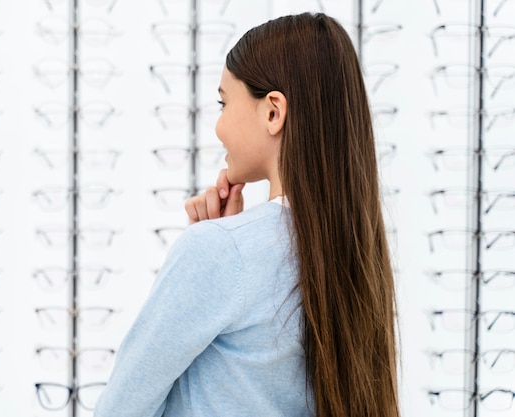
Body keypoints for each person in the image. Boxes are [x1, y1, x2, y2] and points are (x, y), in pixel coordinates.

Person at [94, 12, 399, 417]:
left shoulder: (218, 251)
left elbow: (119, 410)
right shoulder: (356, 252)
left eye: (223, 102)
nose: (218, 126)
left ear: (273, 111)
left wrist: (216, 246)